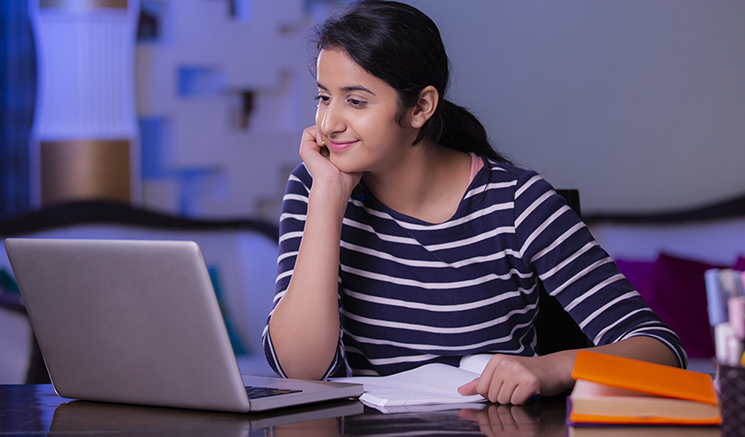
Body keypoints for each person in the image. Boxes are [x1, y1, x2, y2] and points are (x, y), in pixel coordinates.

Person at [263, 0, 685, 405]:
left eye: (355, 101)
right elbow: (300, 370)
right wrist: (327, 199)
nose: (328, 123)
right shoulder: (316, 185)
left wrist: (552, 370)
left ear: (420, 107)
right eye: (323, 97)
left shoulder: (519, 203)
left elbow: (662, 351)